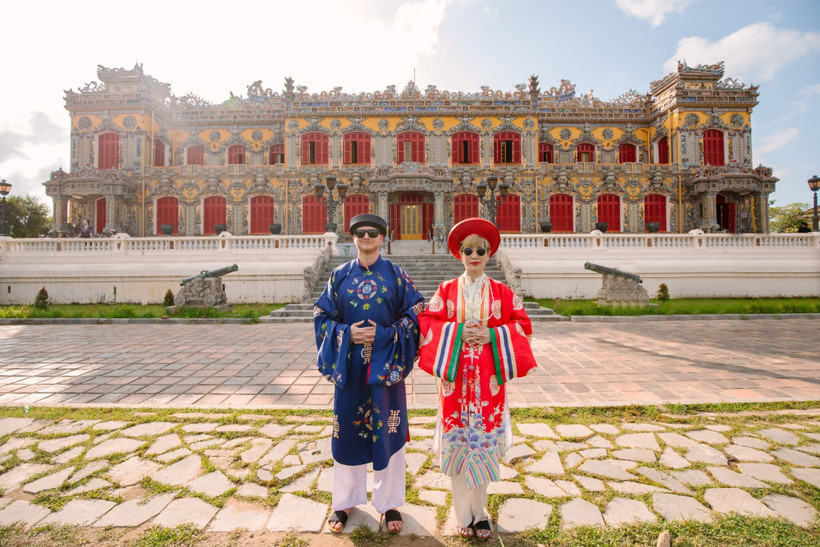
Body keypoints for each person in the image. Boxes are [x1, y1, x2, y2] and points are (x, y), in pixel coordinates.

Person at [417, 218, 537, 540]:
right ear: (459, 254)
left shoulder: (501, 291)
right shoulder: (445, 290)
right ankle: (462, 514)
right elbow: (427, 323)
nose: (474, 255)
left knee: (482, 445)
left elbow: (523, 326)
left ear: (489, 254)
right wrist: (455, 333)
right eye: (467, 249)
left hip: (488, 383)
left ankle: (480, 512)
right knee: (458, 446)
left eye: (480, 250)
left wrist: (493, 335)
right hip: (455, 384)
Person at [314, 213, 425, 534]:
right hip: (349, 369)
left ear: (382, 237)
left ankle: (389, 503)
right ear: (352, 238)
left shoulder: (396, 274)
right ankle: (344, 501)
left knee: (388, 432)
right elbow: (321, 315)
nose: (366, 237)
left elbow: (417, 311)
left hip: (386, 369)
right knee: (346, 432)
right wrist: (346, 333)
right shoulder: (338, 276)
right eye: (360, 233)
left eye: (373, 232)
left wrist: (386, 334)